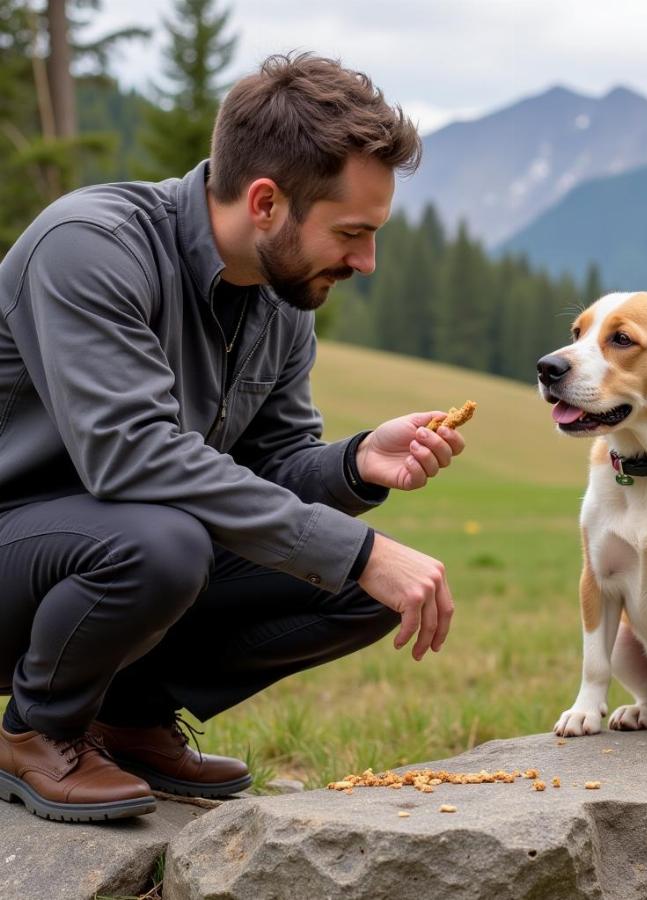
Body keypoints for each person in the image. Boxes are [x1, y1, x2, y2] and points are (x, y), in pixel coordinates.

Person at [0, 52, 461, 823]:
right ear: (266, 202)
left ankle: (130, 716)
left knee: (364, 589)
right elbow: (133, 455)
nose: (366, 262)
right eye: (351, 232)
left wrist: (352, 464)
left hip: (123, 552)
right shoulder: (90, 246)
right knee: (168, 542)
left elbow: (269, 471)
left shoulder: (281, 304)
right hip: (21, 551)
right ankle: (37, 728)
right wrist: (357, 549)